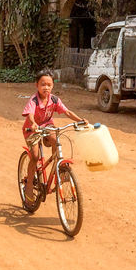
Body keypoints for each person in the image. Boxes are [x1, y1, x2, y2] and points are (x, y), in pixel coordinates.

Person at [22, 68, 88, 208]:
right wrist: (33, 124)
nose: (46, 87)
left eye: (49, 85)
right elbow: (30, 114)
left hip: (47, 126)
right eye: (43, 84)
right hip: (32, 129)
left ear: (52, 86)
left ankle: (58, 169)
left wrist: (80, 120)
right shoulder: (34, 100)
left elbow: (67, 111)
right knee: (34, 156)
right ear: (37, 85)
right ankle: (28, 184)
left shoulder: (54, 100)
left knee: (56, 141)